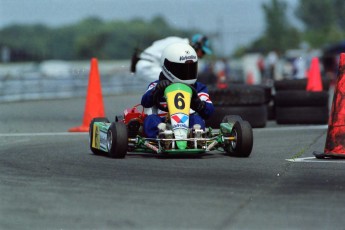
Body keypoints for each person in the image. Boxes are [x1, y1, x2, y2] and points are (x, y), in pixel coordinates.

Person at [140, 42, 214, 138]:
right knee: (150, 119)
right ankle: (161, 134)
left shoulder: (198, 88)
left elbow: (209, 111)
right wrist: (157, 90)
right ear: (168, 66)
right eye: (182, 69)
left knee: (197, 119)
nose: (187, 72)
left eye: (190, 68)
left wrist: (198, 104)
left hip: (187, 123)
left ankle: (196, 134)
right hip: (162, 121)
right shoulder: (156, 85)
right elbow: (145, 102)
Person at [132, 34, 212, 81]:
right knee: (174, 84)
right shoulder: (183, 48)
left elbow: (155, 44)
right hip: (148, 66)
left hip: (146, 65)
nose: (202, 55)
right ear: (196, 46)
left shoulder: (178, 41)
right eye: (203, 52)